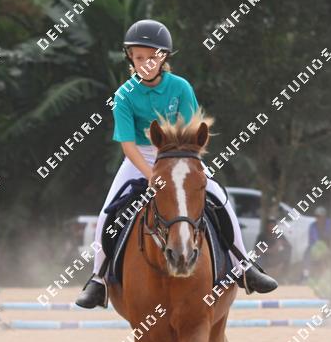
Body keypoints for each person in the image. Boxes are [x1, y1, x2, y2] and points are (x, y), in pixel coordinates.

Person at [75, 19, 277, 308]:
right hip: (140, 158)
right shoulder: (123, 95)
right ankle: (98, 278)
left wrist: (181, 166)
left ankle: (245, 266)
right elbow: (128, 145)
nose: (145, 64)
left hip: (179, 155)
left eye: (152, 57)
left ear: (163, 57)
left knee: (220, 200)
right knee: (108, 213)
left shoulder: (180, 87)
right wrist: (151, 175)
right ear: (130, 58)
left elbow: (191, 133)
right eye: (139, 57)